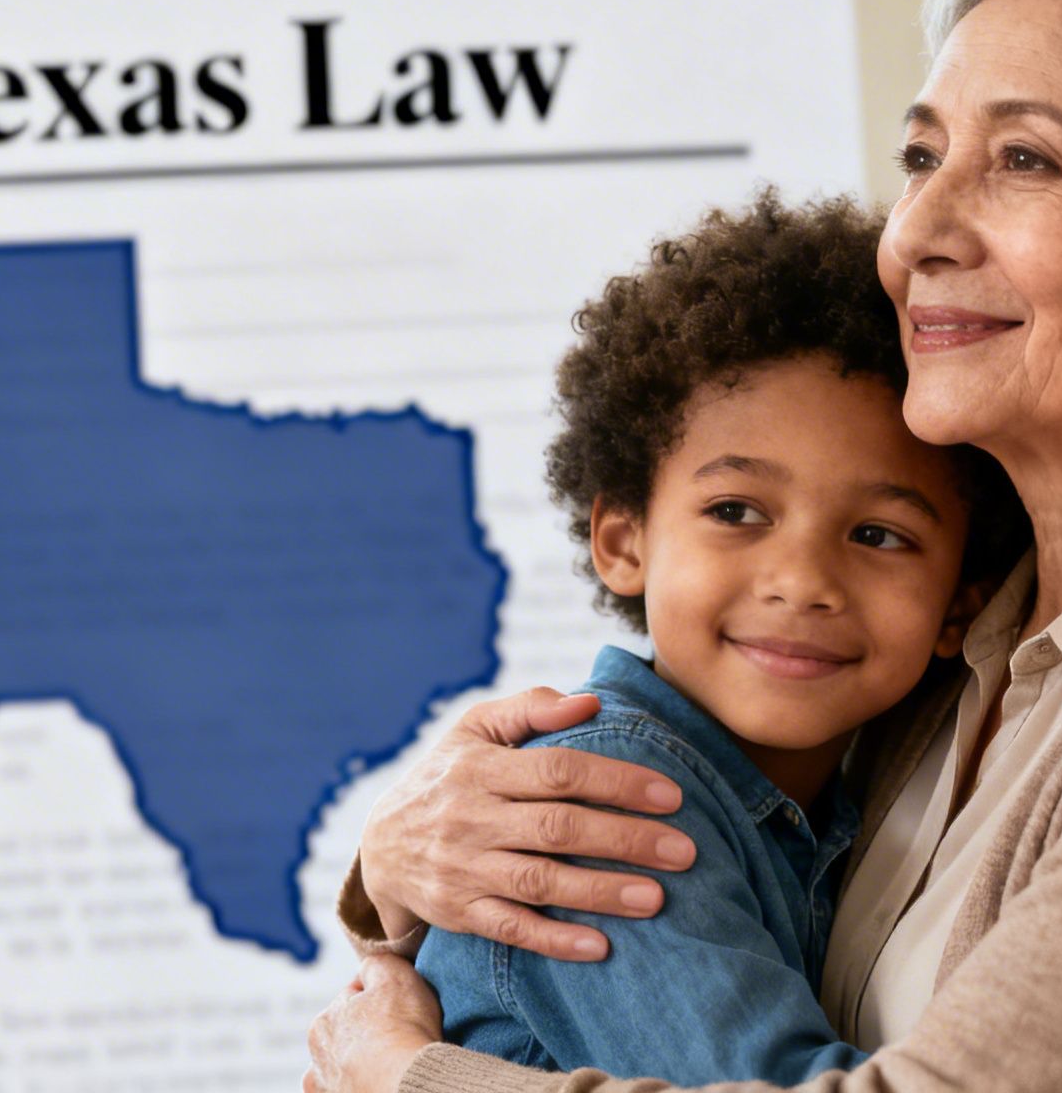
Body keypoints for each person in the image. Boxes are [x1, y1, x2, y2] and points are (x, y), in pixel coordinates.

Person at [310, 0, 1062, 1091]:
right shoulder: (958, 631)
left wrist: (408, 1082)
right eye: (922, 155)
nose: (915, 231)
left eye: (1024, 160)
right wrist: (397, 855)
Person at [414, 193, 1026, 1083]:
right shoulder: (606, 808)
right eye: (735, 511)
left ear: (959, 608)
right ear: (623, 539)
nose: (804, 582)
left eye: (878, 534)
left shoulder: (845, 805)